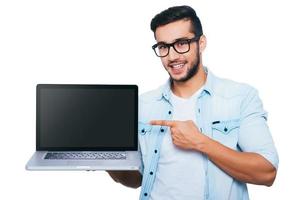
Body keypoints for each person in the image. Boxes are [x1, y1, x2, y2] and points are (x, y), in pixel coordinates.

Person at [107, 5, 279, 200]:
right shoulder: (143, 105)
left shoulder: (240, 97)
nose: (172, 57)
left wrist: (199, 141)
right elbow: (136, 179)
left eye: (181, 43)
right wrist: (107, 160)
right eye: (163, 46)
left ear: (201, 43)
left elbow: (267, 173)